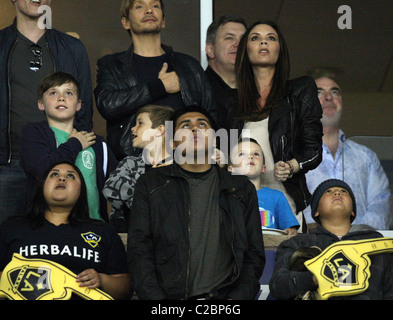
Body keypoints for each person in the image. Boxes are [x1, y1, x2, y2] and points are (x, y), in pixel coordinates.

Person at [128, 105, 265, 300]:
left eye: (202, 124)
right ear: (173, 143)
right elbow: (139, 250)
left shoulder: (241, 188)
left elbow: (254, 254)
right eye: (185, 125)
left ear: (215, 139)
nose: (194, 129)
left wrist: (236, 300)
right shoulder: (151, 184)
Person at [0, 0, 93, 224]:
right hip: (7, 165)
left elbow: (84, 108)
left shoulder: (72, 47)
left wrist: (71, 159)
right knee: (5, 247)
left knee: (63, 243)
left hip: (60, 163)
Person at [94, 0, 216, 160]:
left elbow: (211, 116)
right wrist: (160, 86)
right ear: (125, 22)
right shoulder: (112, 65)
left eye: (155, 6)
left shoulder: (188, 65)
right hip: (133, 164)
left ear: (163, 21)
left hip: (187, 162)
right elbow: (107, 105)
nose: (149, 11)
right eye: (139, 6)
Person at [233, 20, 323, 232]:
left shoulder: (299, 91)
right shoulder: (233, 101)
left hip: (285, 206)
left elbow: (314, 149)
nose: (263, 41)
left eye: (271, 38)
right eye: (255, 38)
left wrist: (292, 165)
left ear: (280, 49)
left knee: (282, 264)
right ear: (245, 50)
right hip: (240, 206)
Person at [0, 161, 131, 300]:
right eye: (54, 174)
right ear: (42, 186)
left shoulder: (103, 231)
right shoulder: (13, 228)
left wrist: (102, 280)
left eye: (71, 176)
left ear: (81, 190)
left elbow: (125, 288)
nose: (61, 178)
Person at [269, 179, 393, 300]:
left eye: (344, 191)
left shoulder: (375, 242)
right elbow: (278, 286)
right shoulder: (298, 243)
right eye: (328, 191)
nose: (337, 193)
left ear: (353, 212)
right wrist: (316, 277)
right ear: (316, 211)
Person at [19, 72, 117, 222]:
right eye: (53, 93)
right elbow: (43, 169)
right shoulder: (33, 133)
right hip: (48, 229)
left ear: (78, 105)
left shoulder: (97, 143)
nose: (61, 98)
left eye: (69, 93)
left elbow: (115, 186)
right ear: (41, 104)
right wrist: (76, 144)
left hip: (92, 226)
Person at [304, 77, 391, 230]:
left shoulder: (366, 157)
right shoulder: (294, 155)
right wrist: (317, 233)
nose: (329, 97)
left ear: (342, 102)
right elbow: (286, 207)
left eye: (335, 92)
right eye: (319, 92)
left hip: (362, 247)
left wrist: (350, 232)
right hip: (311, 249)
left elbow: (381, 207)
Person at [102, 104, 174, 232]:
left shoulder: (179, 167)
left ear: (160, 130)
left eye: (140, 123)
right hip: (132, 233)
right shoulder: (130, 163)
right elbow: (110, 191)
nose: (133, 129)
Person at [228, 137, 299, 235]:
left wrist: (291, 231)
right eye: (242, 154)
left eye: (256, 154)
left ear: (263, 168)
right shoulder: (225, 197)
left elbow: (291, 232)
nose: (250, 157)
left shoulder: (276, 197)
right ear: (231, 169)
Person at [205, 14, 246, 131]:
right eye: (229, 38)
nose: (238, 44)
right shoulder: (197, 92)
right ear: (210, 50)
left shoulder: (259, 92)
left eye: (243, 39)